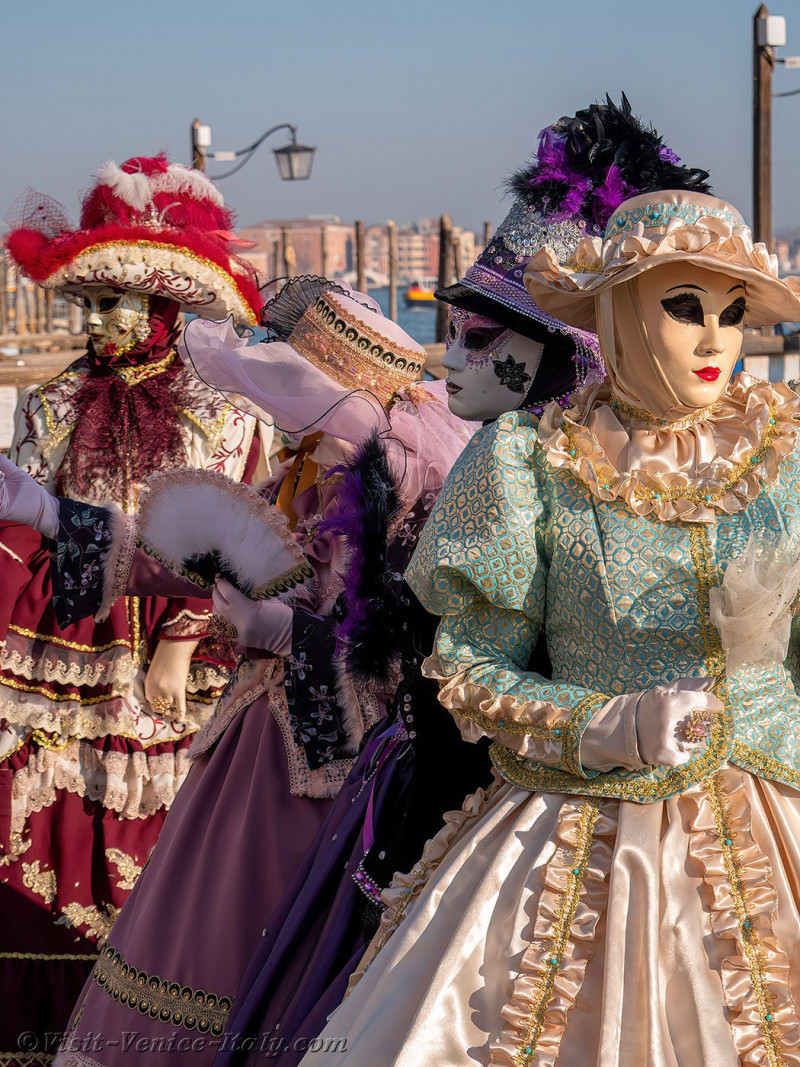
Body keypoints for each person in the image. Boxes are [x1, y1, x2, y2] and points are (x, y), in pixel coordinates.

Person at [212, 95, 714, 1067]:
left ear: (564, 353)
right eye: (459, 332)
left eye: (484, 342)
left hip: (599, 831)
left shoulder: (542, 481)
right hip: (466, 809)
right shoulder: (493, 471)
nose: (449, 358)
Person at [295, 188, 800, 1066]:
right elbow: (469, 667)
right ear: (620, 310)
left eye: (732, 311)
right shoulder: (527, 459)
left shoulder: (784, 454)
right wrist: (606, 723)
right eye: (683, 309)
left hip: (773, 806)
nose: (718, 338)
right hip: (579, 826)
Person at [0, 278, 477, 1066]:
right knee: (193, 933)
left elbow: (408, 660)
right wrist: (51, 513)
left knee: (266, 951)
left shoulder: (409, 501)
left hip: (327, 780)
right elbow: (189, 562)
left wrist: (290, 634)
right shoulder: (302, 475)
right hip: (248, 751)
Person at [0, 154, 267, 1057]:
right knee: (48, 827)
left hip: (173, 649)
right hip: (59, 644)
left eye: (125, 302)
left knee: (159, 834)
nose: (104, 322)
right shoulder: (48, 402)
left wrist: (179, 646)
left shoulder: (225, 410)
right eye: (91, 304)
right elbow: (29, 524)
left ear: (167, 308)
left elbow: (237, 541)